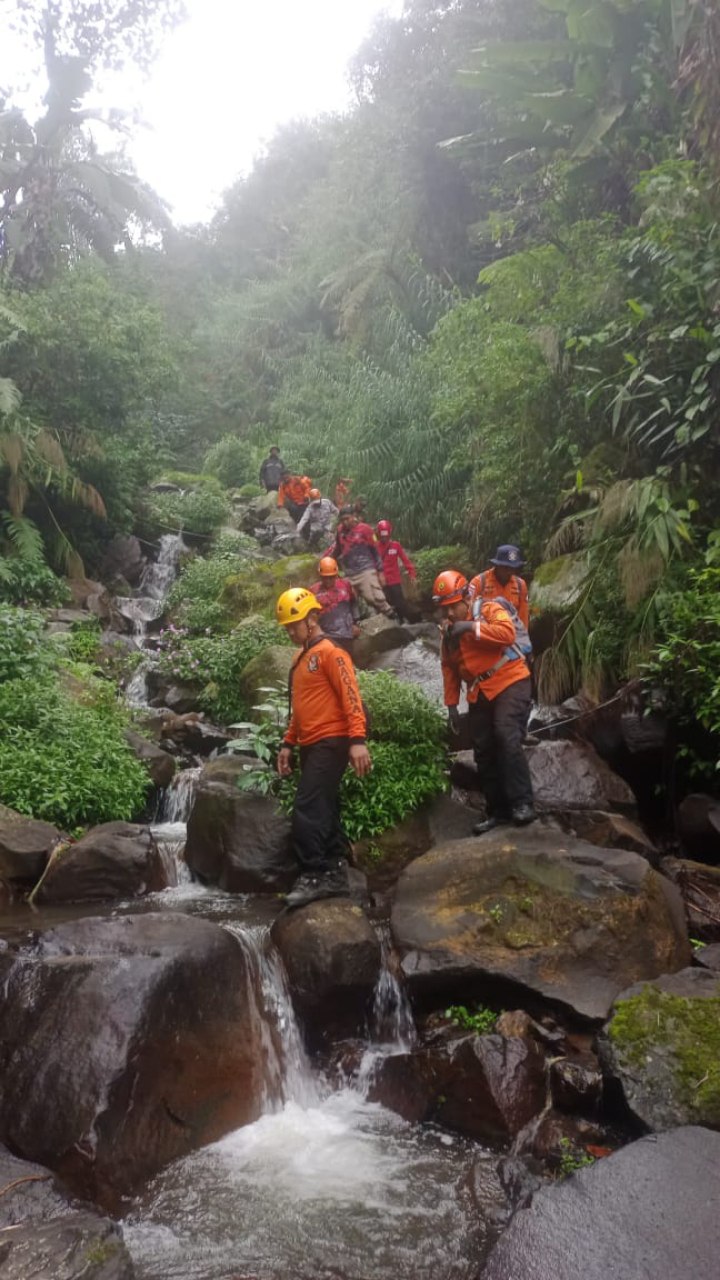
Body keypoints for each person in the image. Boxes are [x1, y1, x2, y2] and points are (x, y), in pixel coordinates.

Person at [275, 586, 371, 908]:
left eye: (295, 624)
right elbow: (301, 709)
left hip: (333, 741)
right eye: (287, 626)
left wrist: (357, 741)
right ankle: (334, 871)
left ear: (312, 618)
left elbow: (351, 696)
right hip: (310, 742)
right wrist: (289, 743)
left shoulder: (331, 652)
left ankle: (314, 874)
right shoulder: (300, 658)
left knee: (308, 805)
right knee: (325, 806)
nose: (290, 631)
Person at [433, 569, 536, 834]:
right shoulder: (447, 634)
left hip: (510, 679)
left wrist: (471, 627)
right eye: (445, 609)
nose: (450, 614)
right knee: (483, 750)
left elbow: (507, 634)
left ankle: (522, 802)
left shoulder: (488, 609)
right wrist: (452, 705)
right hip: (479, 691)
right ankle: (497, 811)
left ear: (466, 597)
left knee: (506, 734)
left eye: (453, 607)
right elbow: (449, 668)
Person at [326, 507, 394, 617]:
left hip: (366, 569)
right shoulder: (340, 530)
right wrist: (329, 560)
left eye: (347, 518)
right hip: (349, 572)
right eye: (342, 520)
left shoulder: (365, 529)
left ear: (353, 516)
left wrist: (380, 572)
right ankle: (356, 622)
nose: (345, 522)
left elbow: (375, 551)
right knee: (347, 597)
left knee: (374, 597)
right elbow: (338, 548)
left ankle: (391, 614)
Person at [467, 545, 529, 629]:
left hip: (511, 636)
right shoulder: (479, 582)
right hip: (485, 635)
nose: (509, 572)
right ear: (497, 565)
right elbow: (468, 615)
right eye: (506, 568)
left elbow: (523, 618)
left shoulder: (520, 585)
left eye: (513, 568)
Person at [310, 556, 360, 657]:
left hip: (346, 634)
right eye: (325, 577)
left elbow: (354, 602)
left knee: (348, 662)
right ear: (320, 575)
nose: (328, 580)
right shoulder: (313, 591)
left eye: (331, 577)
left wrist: (356, 622)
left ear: (336, 574)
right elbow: (310, 616)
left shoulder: (345, 585)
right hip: (325, 637)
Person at [376, 519, 416, 622]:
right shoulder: (375, 547)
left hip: (395, 581)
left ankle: (404, 621)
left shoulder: (396, 545)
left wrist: (412, 574)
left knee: (400, 603)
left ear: (389, 533)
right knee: (385, 604)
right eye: (382, 535)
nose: (384, 538)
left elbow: (405, 560)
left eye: (386, 535)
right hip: (382, 582)